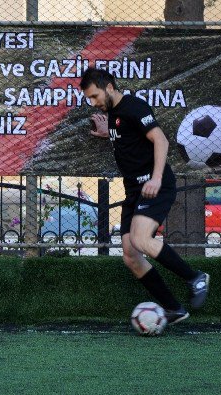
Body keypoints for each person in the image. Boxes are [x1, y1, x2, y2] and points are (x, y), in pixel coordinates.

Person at [80, 68, 210, 324]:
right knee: (131, 255)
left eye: (95, 96)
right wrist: (109, 133)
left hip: (154, 185)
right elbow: (130, 136)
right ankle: (174, 308)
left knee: (140, 239)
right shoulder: (115, 114)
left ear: (108, 87)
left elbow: (160, 141)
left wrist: (157, 178)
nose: (93, 103)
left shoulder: (134, 106)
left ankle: (195, 277)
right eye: (90, 99)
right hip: (133, 190)